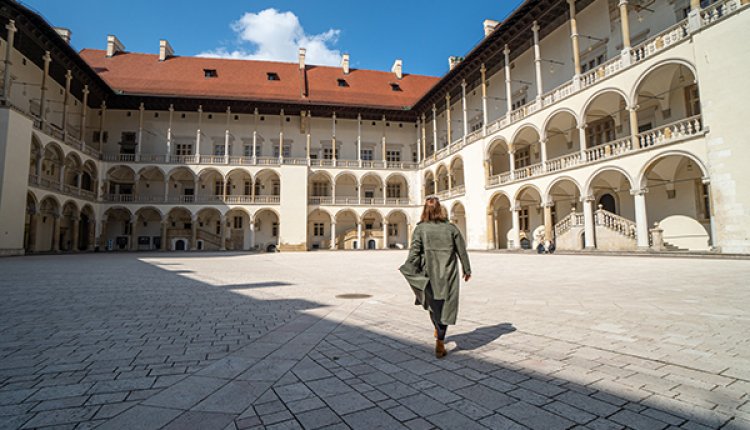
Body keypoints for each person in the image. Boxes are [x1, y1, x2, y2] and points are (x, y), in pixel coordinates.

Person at [400, 196, 471, 358]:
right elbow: (462, 250)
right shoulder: (451, 228)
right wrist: (467, 270)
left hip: (429, 272)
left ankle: (437, 330)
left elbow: (414, 252)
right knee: (447, 304)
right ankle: (440, 340)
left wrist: (409, 267)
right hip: (449, 273)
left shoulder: (420, 229)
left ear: (425, 211)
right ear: (441, 210)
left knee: (434, 305)